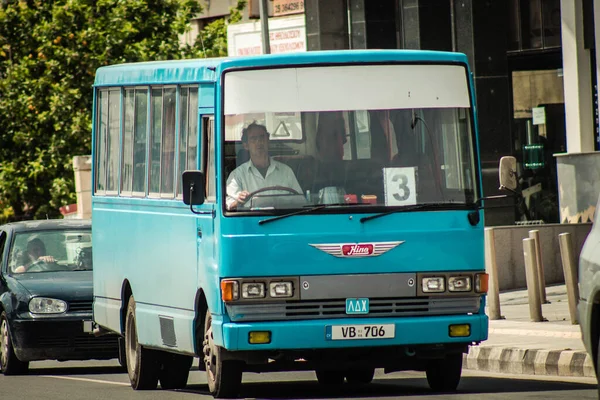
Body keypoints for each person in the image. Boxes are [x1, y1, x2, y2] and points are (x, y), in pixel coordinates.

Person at [226, 122, 303, 210]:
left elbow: (301, 202)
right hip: (251, 221)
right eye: (254, 139)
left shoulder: (286, 171)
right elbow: (228, 206)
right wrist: (238, 201)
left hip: (284, 219)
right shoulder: (237, 175)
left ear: (268, 141)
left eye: (262, 137)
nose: (259, 142)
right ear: (246, 145)